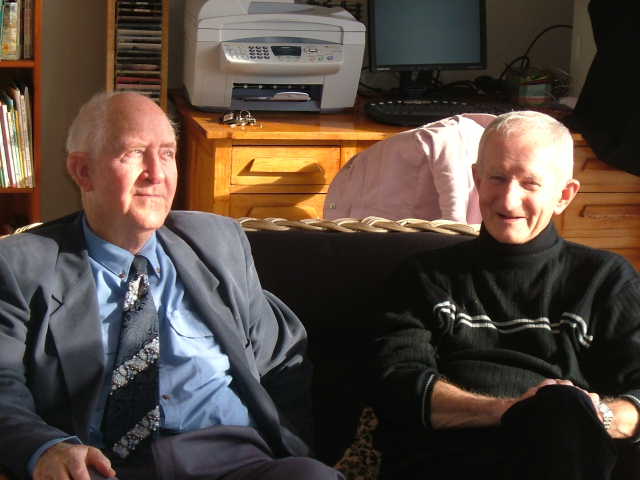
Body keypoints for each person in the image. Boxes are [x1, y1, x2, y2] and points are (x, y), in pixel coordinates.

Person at [0, 91, 342, 480]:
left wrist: (291, 447)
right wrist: (44, 448)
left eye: (166, 154)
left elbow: (282, 358)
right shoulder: (21, 266)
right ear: (83, 172)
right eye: (133, 153)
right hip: (105, 468)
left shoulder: (219, 243)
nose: (156, 173)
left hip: (236, 461)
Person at [370, 110, 640, 480]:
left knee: (562, 409)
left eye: (530, 184)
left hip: (563, 451)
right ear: (477, 179)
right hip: (448, 459)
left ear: (564, 195)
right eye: (497, 178)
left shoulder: (605, 280)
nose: (508, 201)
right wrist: (514, 411)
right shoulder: (423, 277)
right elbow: (396, 385)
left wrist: (595, 415)